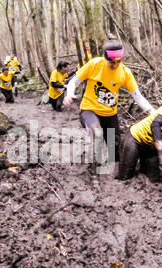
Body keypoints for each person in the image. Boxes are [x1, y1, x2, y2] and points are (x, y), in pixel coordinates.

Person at [64, 39, 156, 171]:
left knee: (116, 154)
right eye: (112, 62)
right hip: (89, 111)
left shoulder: (125, 72)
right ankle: (93, 166)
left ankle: (116, 176)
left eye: (119, 61)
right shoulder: (94, 65)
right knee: (96, 132)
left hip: (110, 115)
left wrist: (151, 110)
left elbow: (137, 95)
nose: (115, 65)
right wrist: (69, 94)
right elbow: (73, 82)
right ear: (105, 58)